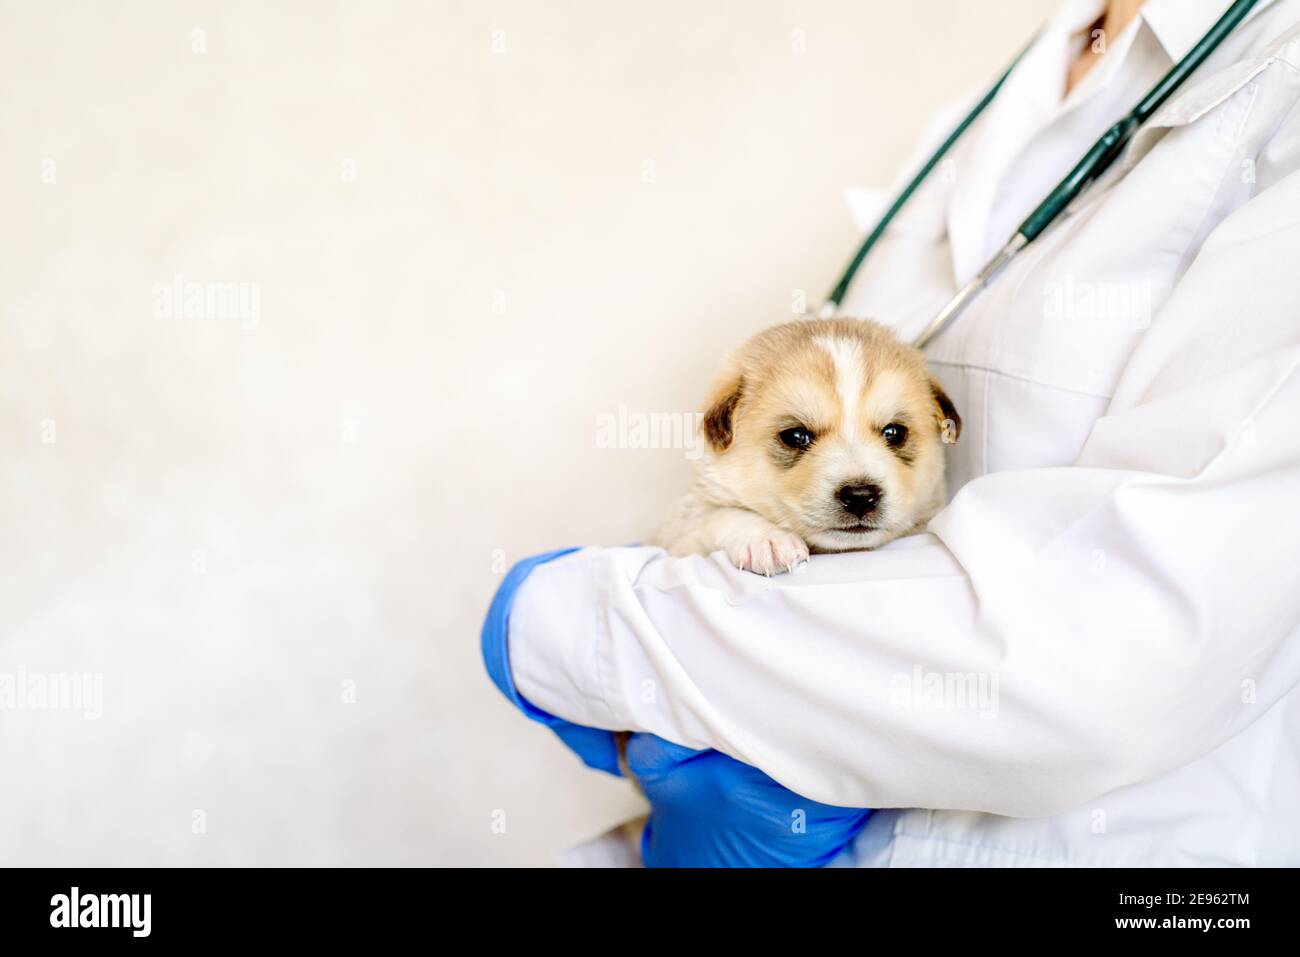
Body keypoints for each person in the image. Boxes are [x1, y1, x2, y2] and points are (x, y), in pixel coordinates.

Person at [484, 0, 1300, 866]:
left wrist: (576, 624)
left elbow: (1117, 655)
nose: (857, 470)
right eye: (799, 436)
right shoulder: (1022, 79)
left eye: (894, 435)